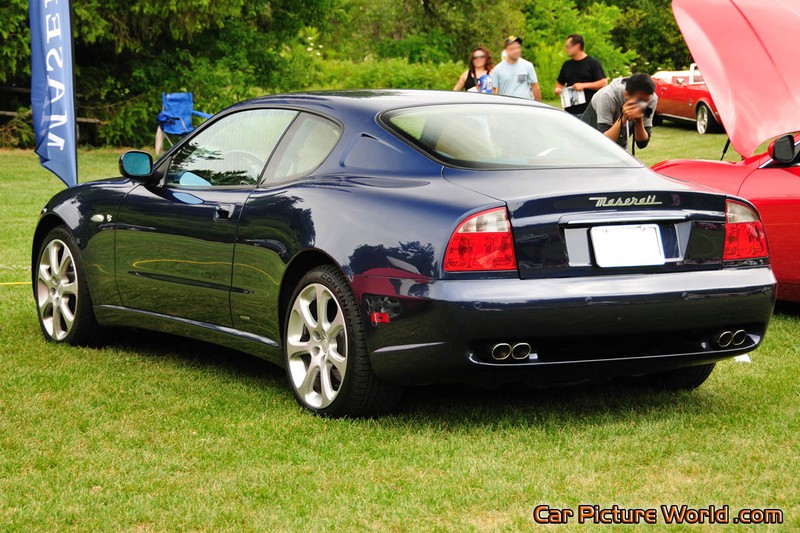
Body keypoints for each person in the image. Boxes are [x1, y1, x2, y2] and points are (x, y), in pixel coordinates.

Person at [581, 73, 657, 152]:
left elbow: (642, 144)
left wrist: (639, 120)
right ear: (626, 95)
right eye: (640, 100)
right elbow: (604, 143)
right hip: (588, 141)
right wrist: (623, 118)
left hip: (618, 144)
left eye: (645, 101)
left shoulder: (651, 98)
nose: (642, 104)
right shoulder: (607, 96)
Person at [554, 34, 607, 116]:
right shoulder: (567, 65)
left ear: (577, 46)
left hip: (588, 110)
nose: (565, 50)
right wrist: (558, 89)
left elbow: (603, 83)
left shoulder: (592, 63)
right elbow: (560, 83)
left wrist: (584, 85)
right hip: (570, 110)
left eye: (568, 47)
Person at [491, 36, 541, 101]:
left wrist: (538, 105)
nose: (516, 51)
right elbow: (494, 91)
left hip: (524, 106)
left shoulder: (528, 66)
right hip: (506, 107)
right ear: (506, 51)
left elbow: (535, 87)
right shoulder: (497, 69)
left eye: (518, 48)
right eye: (512, 49)